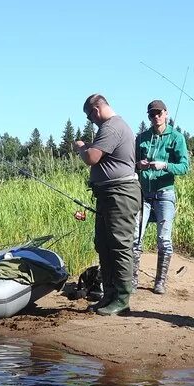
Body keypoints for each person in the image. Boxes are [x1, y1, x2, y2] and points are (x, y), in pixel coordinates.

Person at [76, 94, 142, 316]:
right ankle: (110, 295)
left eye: (89, 117)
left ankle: (122, 299)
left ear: (95, 111)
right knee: (103, 244)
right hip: (107, 194)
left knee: (119, 246)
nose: (91, 122)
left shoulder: (112, 127)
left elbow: (91, 158)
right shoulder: (110, 128)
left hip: (120, 194)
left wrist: (81, 147)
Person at [133, 99, 190, 294]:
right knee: (135, 237)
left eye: (159, 113)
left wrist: (164, 165)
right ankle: (132, 281)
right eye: (151, 114)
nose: (155, 116)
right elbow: (130, 164)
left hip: (165, 193)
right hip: (143, 193)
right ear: (148, 116)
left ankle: (160, 282)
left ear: (166, 113)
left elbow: (184, 167)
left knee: (164, 239)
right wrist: (138, 166)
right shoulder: (141, 138)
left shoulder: (176, 137)